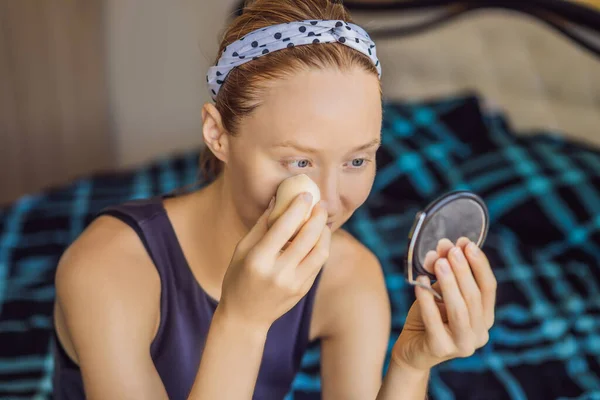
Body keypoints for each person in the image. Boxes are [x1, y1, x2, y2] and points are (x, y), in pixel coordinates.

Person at [52, 0, 497, 399]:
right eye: (298, 163)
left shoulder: (349, 276)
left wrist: (410, 364)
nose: (327, 202)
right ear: (217, 135)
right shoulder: (107, 267)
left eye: (357, 161)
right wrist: (241, 322)